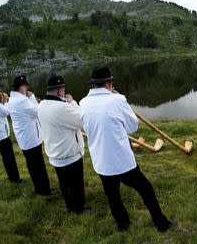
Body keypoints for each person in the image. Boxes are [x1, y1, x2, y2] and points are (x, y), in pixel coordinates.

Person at [79, 67, 172, 232]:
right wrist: (119, 100)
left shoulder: (83, 103)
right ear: (110, 83)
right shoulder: (118, 100)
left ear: (93, 85)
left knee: (113, 196)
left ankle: (123, 225)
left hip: (101, 162)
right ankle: (161, 223)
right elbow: (133, 127)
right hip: (122, 162)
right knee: (146, 189)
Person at [38, 75, 89, 213]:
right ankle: (79, 209)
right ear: (60, 91)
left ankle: (69, 206)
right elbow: (81, 120)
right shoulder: (62, 107)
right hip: (69, 153)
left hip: (55, 153)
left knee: (64, 183)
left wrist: (66, 102)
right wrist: (72, 102)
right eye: (63, 89)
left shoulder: (41, 105)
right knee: (76, 184)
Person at [9, 75, 52, 196]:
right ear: (21, 87)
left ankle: (39, 189)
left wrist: (28, 97)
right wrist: (32, 97)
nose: (27, 88)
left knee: (32, 165)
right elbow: (38, 111)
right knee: (38, 166)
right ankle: (45, 191)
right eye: (26, 86)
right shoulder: (22, 101)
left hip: (25, 138)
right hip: (31, 138)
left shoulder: (13, 99)